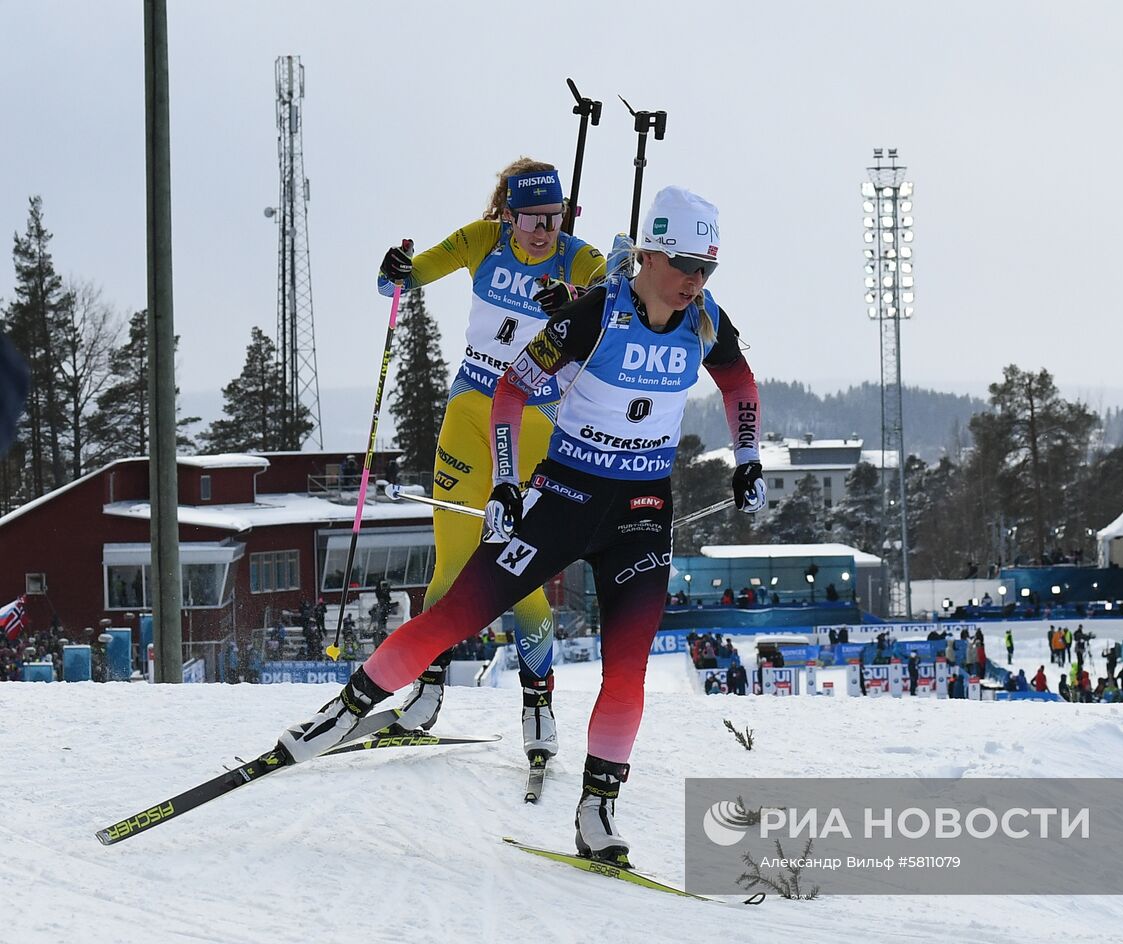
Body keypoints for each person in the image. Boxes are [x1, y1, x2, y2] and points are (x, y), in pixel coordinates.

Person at [279, 187, 766, 864]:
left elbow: (739, 384)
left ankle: (597, 808)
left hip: (642, 512)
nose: (694, 280)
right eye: (684, 263)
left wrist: (747, 458)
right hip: (565, 494)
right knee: (458, 613)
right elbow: (509, 389)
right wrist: (508, 483)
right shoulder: (598, 313)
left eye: (706, 268)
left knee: (626, 669)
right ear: (649, 253)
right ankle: (346, 711)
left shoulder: (705, 318)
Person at [372, 158, 607, 762]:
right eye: (531, 218)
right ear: (508, 214)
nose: (542, 231)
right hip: (469, 413)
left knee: (517, 565)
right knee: (451, 563)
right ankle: (426, 691)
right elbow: (404, 279)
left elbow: (617, 294)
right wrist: (395, 270)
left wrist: (576, 298)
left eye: (553, 219)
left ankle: (537, 702)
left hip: (531, 423)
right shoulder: (482, 241)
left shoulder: (574, 257)